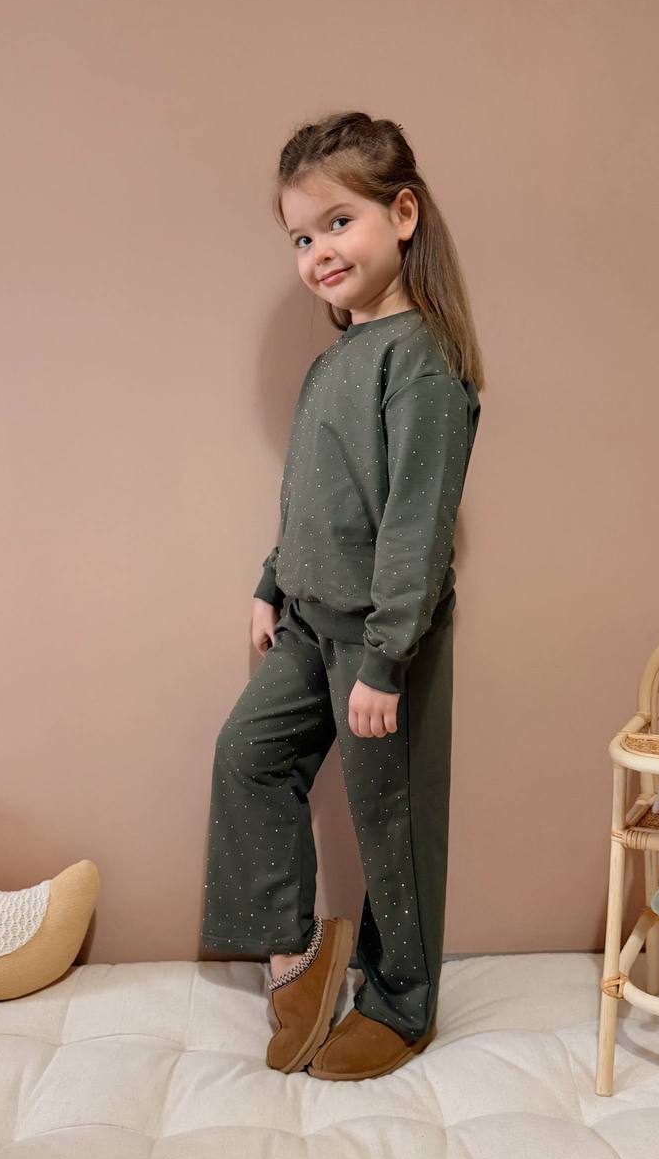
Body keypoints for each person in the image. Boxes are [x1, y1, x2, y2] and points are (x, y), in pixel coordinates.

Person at [200, 110, 484, 1079]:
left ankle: (403, 999)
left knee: (388, 820)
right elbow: (315, 497)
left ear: (402, 215)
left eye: (337, 223)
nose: (318, 251)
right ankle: (296, 957)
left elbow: (415, 526)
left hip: (377, 637)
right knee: (247, 755)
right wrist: (270, 580)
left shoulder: (423, 361)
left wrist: (388, 658)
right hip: (309, 623)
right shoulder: (332, 364)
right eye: (300, 238)